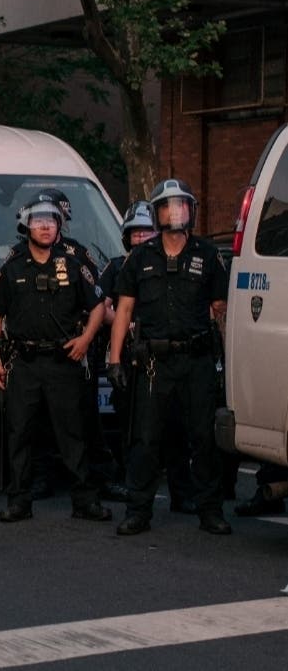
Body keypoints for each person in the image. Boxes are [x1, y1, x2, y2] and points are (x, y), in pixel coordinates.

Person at [108, 178, 232, 536]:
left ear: (191, 211)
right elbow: (125, 308)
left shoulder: (208, 256)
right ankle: (138, 512)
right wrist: (115, 360)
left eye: (181, 205)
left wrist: (227, 362)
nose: (175, 212)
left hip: (197, 361)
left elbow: (221, 310)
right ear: (157, 213)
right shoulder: (140, 258)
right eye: (168, 206)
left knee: (203, 437)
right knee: (145, 439)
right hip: (153, 364)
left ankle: (210, 510)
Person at [0, 197, 111, 524]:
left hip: (63, 363)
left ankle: (85, 501)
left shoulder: (72, 263)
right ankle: (19, 502)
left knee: (73, 434)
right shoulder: (12, 266)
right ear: (26, 225)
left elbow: (98, 305)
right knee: (20, 434)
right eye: (38, 221)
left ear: (59, 226)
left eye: (51, 221)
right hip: (23, 362)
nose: (45, 226)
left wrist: (85, 340)